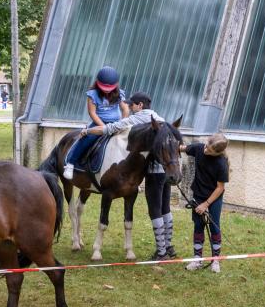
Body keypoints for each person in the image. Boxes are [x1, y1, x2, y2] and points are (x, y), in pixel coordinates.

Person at [83, 91, 176, 260]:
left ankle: (161, 252)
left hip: (153, 172)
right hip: (165, 172)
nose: (130, 108)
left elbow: (109, 129)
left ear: (140, 106)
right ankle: (169, 247)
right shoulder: (162, 121)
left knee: (155, 209)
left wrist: (88, 131)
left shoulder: (136, 120)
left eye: (132, 105)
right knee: (166, 208)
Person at [63, 66, 129, 180]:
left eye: (110, 88)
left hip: (117, 123)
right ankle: (70, 164)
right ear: (98, 83)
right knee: (87, 139)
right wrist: (103, 127)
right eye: (104, 87)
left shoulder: (119, 93)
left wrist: (122, 122)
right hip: (99, 123)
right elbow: (92, 113)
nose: (107, 90)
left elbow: (125, 109)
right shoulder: (92, 94)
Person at [181, 133, 229, 273]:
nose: (206, 150)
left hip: (213, 198)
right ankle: (197, 259)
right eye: (207, 146)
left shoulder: (221, 163)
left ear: (218, 153)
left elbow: (220, 188)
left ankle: (215, 260)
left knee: (214, 228)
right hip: (198, 196)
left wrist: (206, 204)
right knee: (198, 226)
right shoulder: (198, 148)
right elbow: (182, 148)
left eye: (210, 150)